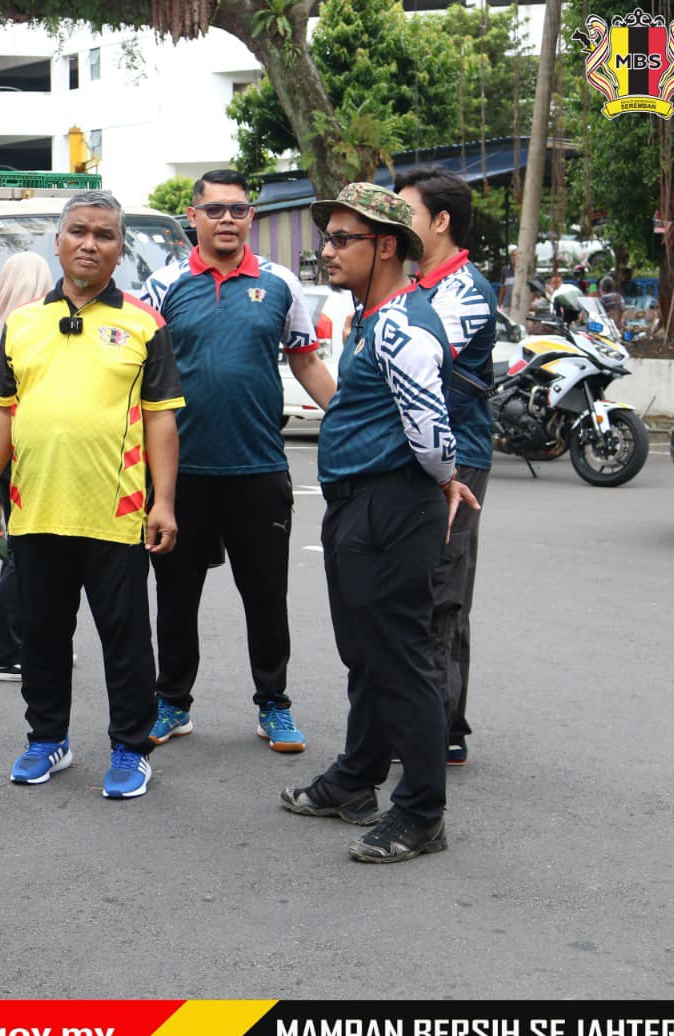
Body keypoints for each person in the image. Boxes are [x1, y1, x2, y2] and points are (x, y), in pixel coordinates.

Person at [278, 182, 479, 864]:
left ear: (385, 246)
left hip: (391, 506)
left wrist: (445, 474)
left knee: (400, 659)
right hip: (363, 504)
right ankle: (356, 779)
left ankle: (422, 812)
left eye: (342, 239)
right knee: (367, 652)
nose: (326, 251)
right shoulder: (375, 317)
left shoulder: (401, 325)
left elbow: (431, 433)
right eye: (327, 237)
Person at [0, 189, 184, 801]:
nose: (90, 243)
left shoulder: (144, 325)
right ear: (59, 241)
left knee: (124, 638)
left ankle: (130, 748)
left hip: (116, 514)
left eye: (105, 235)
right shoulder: (23, 324)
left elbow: (161, 420)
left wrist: (163, 503)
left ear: (121, 249)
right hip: (35, 510)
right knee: (40, 635)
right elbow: (0, 416)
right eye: (78, 231)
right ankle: (47, 739)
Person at [139, 168, 332, 754]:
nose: (228, 220)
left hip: (258, 469)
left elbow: (306, 361)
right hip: (179, 476)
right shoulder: (162, 287)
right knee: (175, 600)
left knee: (266, 597)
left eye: (239, 211)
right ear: (192, 218)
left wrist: (351, 421)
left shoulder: (279, 285)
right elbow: (134, 375)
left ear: (251, 218)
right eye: (216, 210)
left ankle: (273, 705)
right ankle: (172, 703)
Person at [397, 166, 498, 768]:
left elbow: (422, 369)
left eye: (406, 212)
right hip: (435, 453)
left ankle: (431, 734)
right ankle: (445, 723)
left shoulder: (462, 290)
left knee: (438, 592)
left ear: (441, 221)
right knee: (441, 587)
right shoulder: (423, 283)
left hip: (455, 458)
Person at [0, 250, 52, 682]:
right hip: (23, 454)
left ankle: (32, 642)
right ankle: (3, 652)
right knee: (23, 555)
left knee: (32, 554)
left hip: (5, 455)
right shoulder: (27, 327)